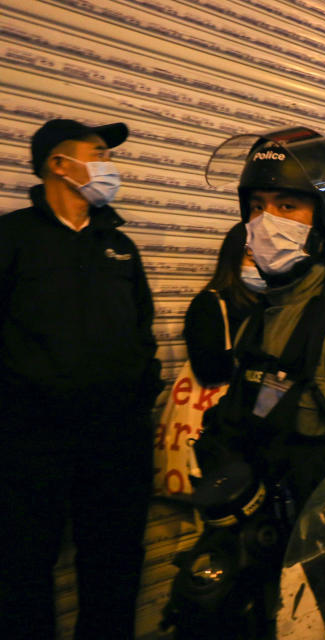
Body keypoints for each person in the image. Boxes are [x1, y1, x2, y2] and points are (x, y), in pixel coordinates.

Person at [163, 127, 325, 638]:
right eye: (257, 207)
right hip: (266, 561)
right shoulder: (263, 318)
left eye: (286, 207)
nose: (265, 223)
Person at [0, 119, 162, 640]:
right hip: (31, 445)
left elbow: (142, 330)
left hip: (115, 443)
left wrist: (139, 396)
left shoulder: (121, 247)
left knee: (114, 571)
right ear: (58, 164)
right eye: (98, 153)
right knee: (22, 573)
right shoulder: (12, 239)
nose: (108, 166)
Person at [183, 223, 262, 387]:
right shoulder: (209, 303)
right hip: (226, 405)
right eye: (254, 260)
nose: (262, 269)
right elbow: (208, 371)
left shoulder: (276, 302)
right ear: (233, 258)